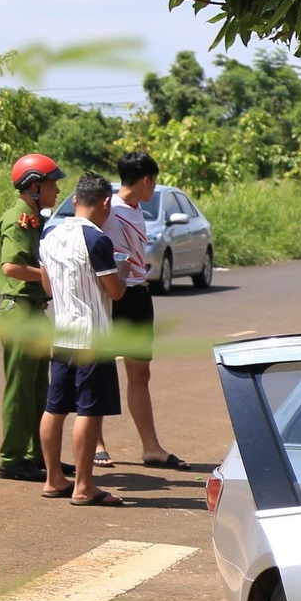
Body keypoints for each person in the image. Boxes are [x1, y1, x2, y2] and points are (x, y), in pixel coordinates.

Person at [37, 175, 128, 507]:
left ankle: (53, 479)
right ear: (105, 203)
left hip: (62, 333)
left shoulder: (49, 235)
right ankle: (84, 485)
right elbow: (115, 291)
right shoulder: (97, 240)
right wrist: (122, 272)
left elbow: (48, 287)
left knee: (55, 407)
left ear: (75, 200)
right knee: (89, 410)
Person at [96, 151, 186, 470]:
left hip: (137, 295)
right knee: (100, 369)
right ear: (146, 179)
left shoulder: (136, 210)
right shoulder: (106, 207)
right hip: (110, 297)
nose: (153, 188)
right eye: (154, 181)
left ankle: (151, 448)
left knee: (140, 373)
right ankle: (97, 444)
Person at [0, 152, 66, 482]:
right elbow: (10, 266)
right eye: (52, 185)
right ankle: (12, 459)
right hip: (20, 313)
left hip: (35, 312)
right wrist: (48, 275)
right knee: (20, 389)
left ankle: (40, 456)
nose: (57, 192)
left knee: (40, 389)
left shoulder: (36, 218)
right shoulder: (19, 218)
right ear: (34, 186)